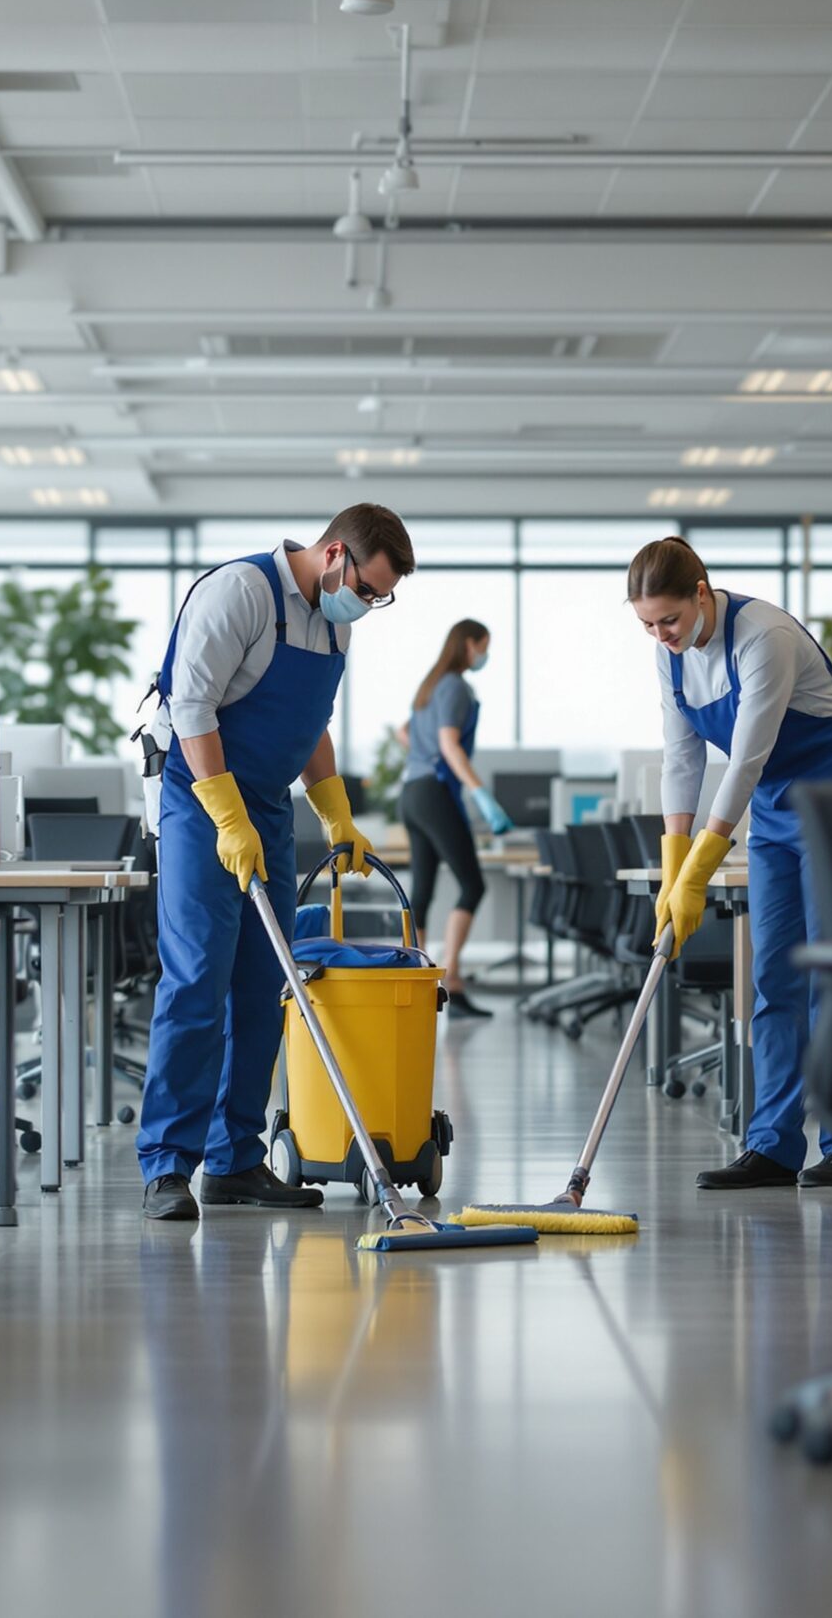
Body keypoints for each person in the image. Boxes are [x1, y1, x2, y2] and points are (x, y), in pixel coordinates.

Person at [137, 504, 415, 1222]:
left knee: (267, 982)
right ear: (333, 554)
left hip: (266, 799)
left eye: (383, 596)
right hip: (198, 793)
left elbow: (308, 724)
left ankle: (234, 1159)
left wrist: (335, 812)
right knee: (199, 972)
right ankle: (168, 1163)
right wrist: (225, 817)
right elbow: (193, 706)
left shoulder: (334, 620)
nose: (370, 603)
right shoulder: (240, 594)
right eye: (368, 587)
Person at [631, 536, 832, 1191]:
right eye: (647, 624)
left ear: (700, 594)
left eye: (669, 619)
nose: (661, 635)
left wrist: (698, 872)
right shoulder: (670, 664)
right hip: (777, 815)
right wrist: (673, 865)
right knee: (772, 974)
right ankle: (772, 1146)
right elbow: (682, 760)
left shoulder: (763, 636)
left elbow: (746, 756)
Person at [396, 619, 509, 1020]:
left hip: (411, 792)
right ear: (469, 645)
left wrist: (421, 757)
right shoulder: (457, 686)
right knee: (472, 884)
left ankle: (418, 980)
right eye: (484, 645)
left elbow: (404, 732)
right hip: (435, 792)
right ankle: (452, 981)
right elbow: (449, 743)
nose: (485, 655)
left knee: (422, 888)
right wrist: (481, 794)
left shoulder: (429, 686)